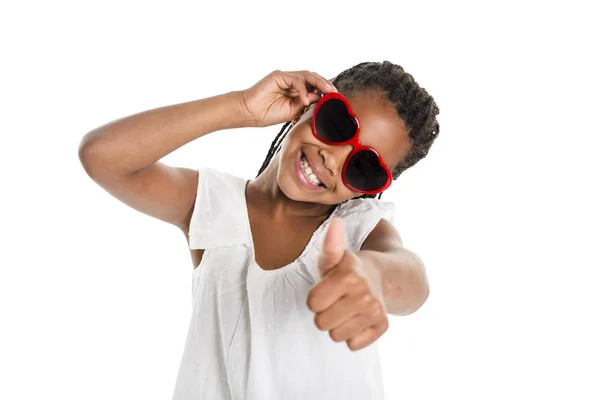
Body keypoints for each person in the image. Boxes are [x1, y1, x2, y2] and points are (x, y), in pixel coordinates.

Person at [78, 61, 441, 399]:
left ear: (370, 188)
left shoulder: (354, 228)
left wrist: (372, 277)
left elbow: (411, 279)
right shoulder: (212, 206)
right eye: (337, 125)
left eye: (363, 166)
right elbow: (102, 156)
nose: (332, 159)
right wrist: (242, 108)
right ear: (311, 104)